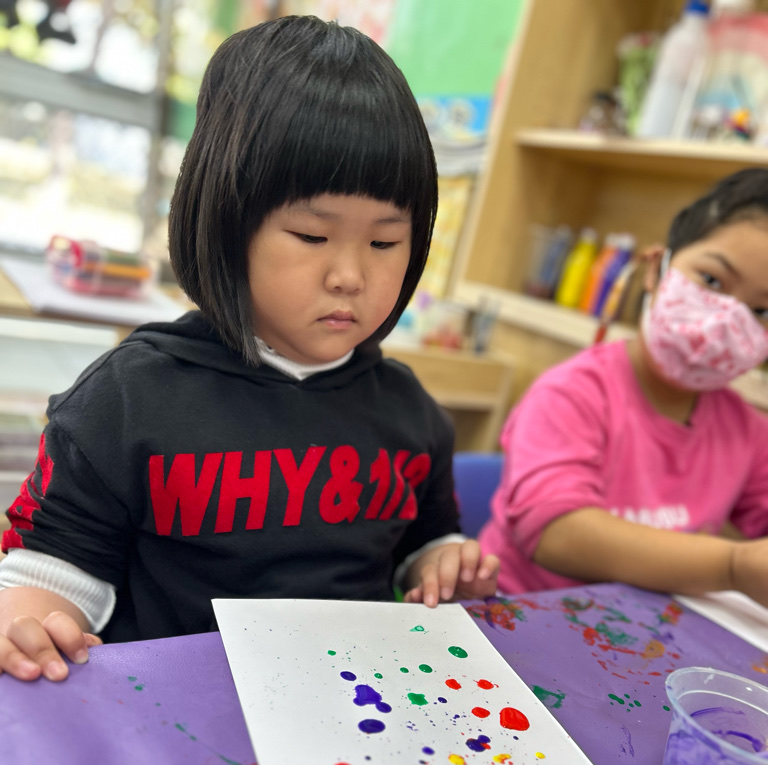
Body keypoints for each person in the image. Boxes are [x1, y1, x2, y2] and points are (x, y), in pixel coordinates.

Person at [0, 16, 498, 683]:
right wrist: (30, 618)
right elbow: (53, 569)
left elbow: (422, 542)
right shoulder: (126, 399)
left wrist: (440, 562)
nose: (350, 275)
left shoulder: (410, 412)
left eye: (385, 242)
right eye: (312, 236)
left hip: (356, 705)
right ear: (226, 221)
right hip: (176, 708)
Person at [480, 168, 768, 603]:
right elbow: (556, 532)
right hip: (513, 616)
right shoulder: (571, 393)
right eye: (711, 281)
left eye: (762, 311)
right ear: (656, 269)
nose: (725, 320)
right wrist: (733, 566)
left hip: (649, 630)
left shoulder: (747, 431)